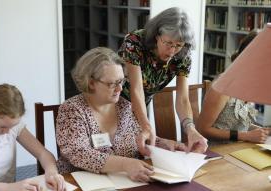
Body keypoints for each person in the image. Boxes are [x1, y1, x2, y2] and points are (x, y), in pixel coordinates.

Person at [56, 47, 187, 182]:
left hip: (125, 183)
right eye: (112, 84)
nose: (120, 89)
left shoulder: (126, 106)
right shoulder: (72, 110)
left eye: (122, 81)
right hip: (80, 185)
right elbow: (79, 153)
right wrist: (125, 164)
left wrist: (162, 143)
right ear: (91, 83)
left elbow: (140, 139)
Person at [117, 7, 207, 155]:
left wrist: (191, 129)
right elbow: (136, 89)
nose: (172, 51)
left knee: (138, 151)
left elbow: (183, 99)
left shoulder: (183, 54)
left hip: (141, 105)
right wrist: (146, 125)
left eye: (178, 45)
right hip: (115, 101)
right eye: (168, 43)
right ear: (157, 35)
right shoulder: (135, 41)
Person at [0, 84, 66, 191]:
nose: (7, 132)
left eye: (11, 126)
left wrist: (52, 173)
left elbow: (43, 153)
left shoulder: (11, 125)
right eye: (1, 127)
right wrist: (8, 188)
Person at [197, 30, 270, 144]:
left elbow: (238, 123)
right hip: (214, 152)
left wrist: (261, 131)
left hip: (237, 150)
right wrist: (246, 136)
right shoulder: (223, 85)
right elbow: (202, 129)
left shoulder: (252, 84)